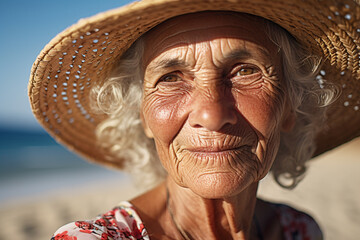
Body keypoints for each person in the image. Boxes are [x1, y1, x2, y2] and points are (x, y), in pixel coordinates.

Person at [28, 0, 360, 239]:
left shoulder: (300, 230)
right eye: (171, 78)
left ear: (291, 105)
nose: (211, 115)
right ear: (141, 113)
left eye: (245, 71)